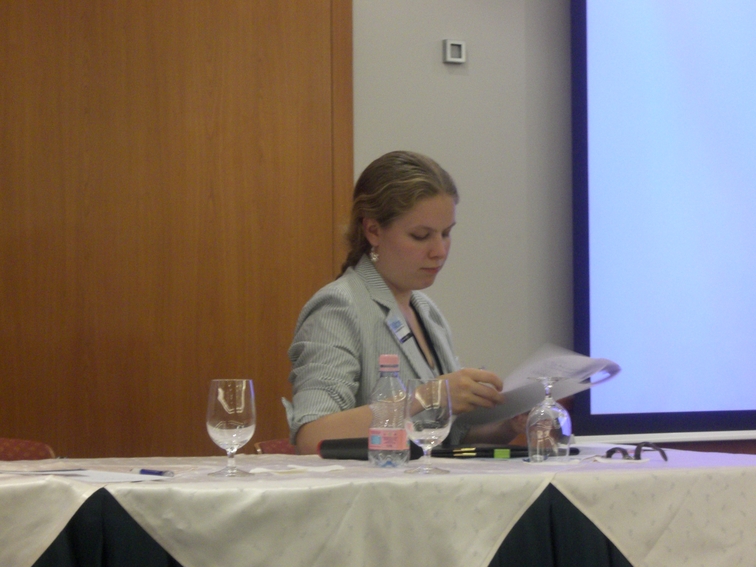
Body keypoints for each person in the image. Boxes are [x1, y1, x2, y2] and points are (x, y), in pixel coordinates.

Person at [283, 151, 523, 455]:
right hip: (372, 483)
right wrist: (428, 396)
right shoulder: (338, 307)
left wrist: (509, 426)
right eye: (421, 236)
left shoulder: (426, 311)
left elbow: (446, 439)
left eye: (446, 233)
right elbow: (314, 435)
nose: (439, 251)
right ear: (373, 231)